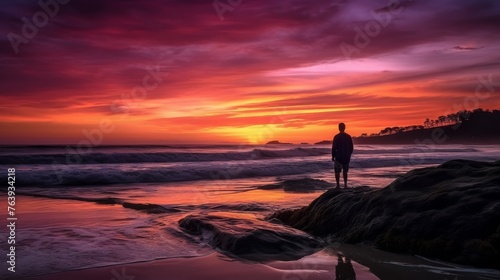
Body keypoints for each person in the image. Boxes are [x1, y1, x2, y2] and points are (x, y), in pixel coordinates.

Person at [332, 122, 354, 188]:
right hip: (346, 157)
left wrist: (333, 156)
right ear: (344, 128)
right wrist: (349, 154)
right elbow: (351, 147)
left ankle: (338, 185)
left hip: (339, 156)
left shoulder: (336, 137)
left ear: (339, 128)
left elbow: (334, 147)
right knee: (345, 171)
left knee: (337, 171)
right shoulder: (348, 136)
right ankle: (345, 184)